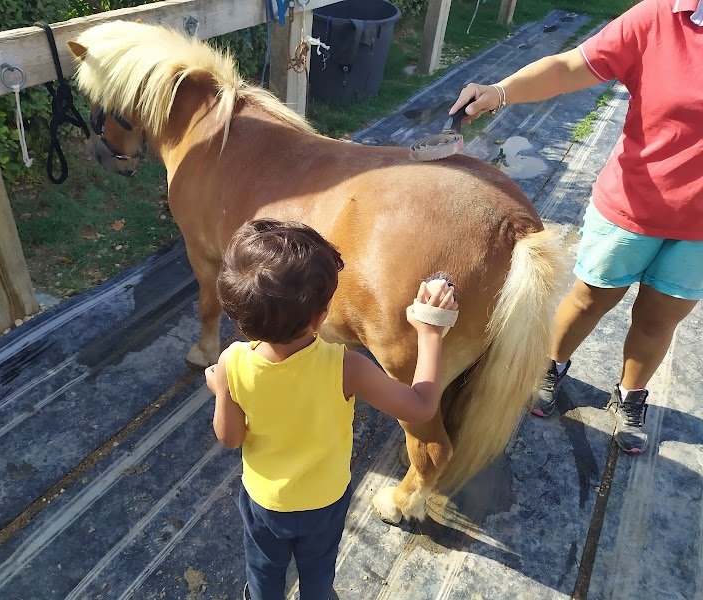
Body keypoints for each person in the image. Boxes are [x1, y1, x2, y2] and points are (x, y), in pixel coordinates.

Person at [449, 0, 702, 454]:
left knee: (658, 319)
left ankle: (630, 395)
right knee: (590, 297)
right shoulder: (662, 16)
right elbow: (570, 66)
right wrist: (500, 91)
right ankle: (549, 366)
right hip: (633, 205)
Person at [204, 218, 458, 600]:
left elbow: (229, 438)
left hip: (264, 503)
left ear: (239, 319)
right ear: (321, 317)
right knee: (318, 573)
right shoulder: (345, 367)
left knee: (263, 574)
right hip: (324, 501)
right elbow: (421, 407)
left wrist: (223, 390)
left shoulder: (232, 363)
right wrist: (430, 333)